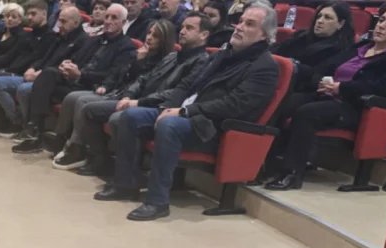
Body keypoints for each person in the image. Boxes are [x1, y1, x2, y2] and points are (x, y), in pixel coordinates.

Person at [96, 2, 279, 221]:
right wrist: (167, 108)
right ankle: (126, 184)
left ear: (264, 35)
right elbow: (187, 85)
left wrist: (184, 112)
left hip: (211, 127)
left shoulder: (265, 67)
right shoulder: (224, 53)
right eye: (240, 21)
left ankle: (157, 201)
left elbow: (233, 105)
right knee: (129, 116)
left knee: (169, 125)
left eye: (249, 24)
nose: (239, 27)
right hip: (186, 113)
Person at [53, 13, 212, 171]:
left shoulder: (197, 60)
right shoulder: (171, 57)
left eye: (189, 28)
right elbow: (137, 79)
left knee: (107, 114)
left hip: (152, 105)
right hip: (128, 96)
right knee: (83, 104)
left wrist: (136, 99)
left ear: (204, 35)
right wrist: (127, 94)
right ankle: (91, 155)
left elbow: (172, 92)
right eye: (183, 27)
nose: (182, 31)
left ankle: (111, 164)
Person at [265, 3, 386, 190]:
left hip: (356, 107)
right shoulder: (361, 47)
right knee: (285, 102)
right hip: (328, 95)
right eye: (382, 20)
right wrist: (321, 81)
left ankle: (292, 174)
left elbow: (384, 87)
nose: (382, 25)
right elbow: (326, 67)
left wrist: (342, 88)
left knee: (307, 112)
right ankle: (266, 161)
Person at [43, 19, 178, 161]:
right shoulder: (140, 53)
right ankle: (60, 139)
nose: (149, 37)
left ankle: (77, 147)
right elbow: (119, 75)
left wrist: (139, 62)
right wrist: (106, 85)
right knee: (72, 97)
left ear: (164, 39)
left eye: (155, 36)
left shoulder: (165, 61)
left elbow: (143, 84)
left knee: (83, 102)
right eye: (149, 33)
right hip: (116, 91)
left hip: (131, 99)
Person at [11, 4, 137, 152]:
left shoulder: (126, 46)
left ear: (123, 22)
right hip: (75, 81)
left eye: (114, 18)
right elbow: (77, 59)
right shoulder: (94, 40)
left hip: (93, 88)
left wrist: (81, 75)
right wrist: (67, 65)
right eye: (107, 16)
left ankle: (36, 132)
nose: (108, 21)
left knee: (44, 86)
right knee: (48, 74)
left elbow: (114, 75)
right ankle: (35, 130)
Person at [0, 7, 90, 136]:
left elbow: (67, 67)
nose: (60, 25)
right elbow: (43, 58)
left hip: (55, 80)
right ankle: (17, 122)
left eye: (64, 22)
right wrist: (33, 68)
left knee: (24, 89)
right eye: (59, 21)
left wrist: (40, 73)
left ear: (76, 22)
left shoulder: (83, 41)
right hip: (39, 74)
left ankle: (30, 127)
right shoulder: (60, 37)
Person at [0, 1, 56, 132]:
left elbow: (41, 59)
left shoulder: (50, 36)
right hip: (16, 69)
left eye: (33, 14)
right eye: (28, 14)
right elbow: (12, 55)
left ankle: (12, 120)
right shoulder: (28, 35)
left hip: (28, 73)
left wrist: (30, 69)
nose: (29, 17)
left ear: (44, 14)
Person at [272, 2, 355, 91]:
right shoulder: (300, 35)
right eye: (319, 16)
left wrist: (291, 65)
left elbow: (317, 76)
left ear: (341, 24)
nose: (320, 21)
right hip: (275, 76)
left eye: (327, 18)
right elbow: (277, 51)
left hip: (302, 89)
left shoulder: (342, 50)